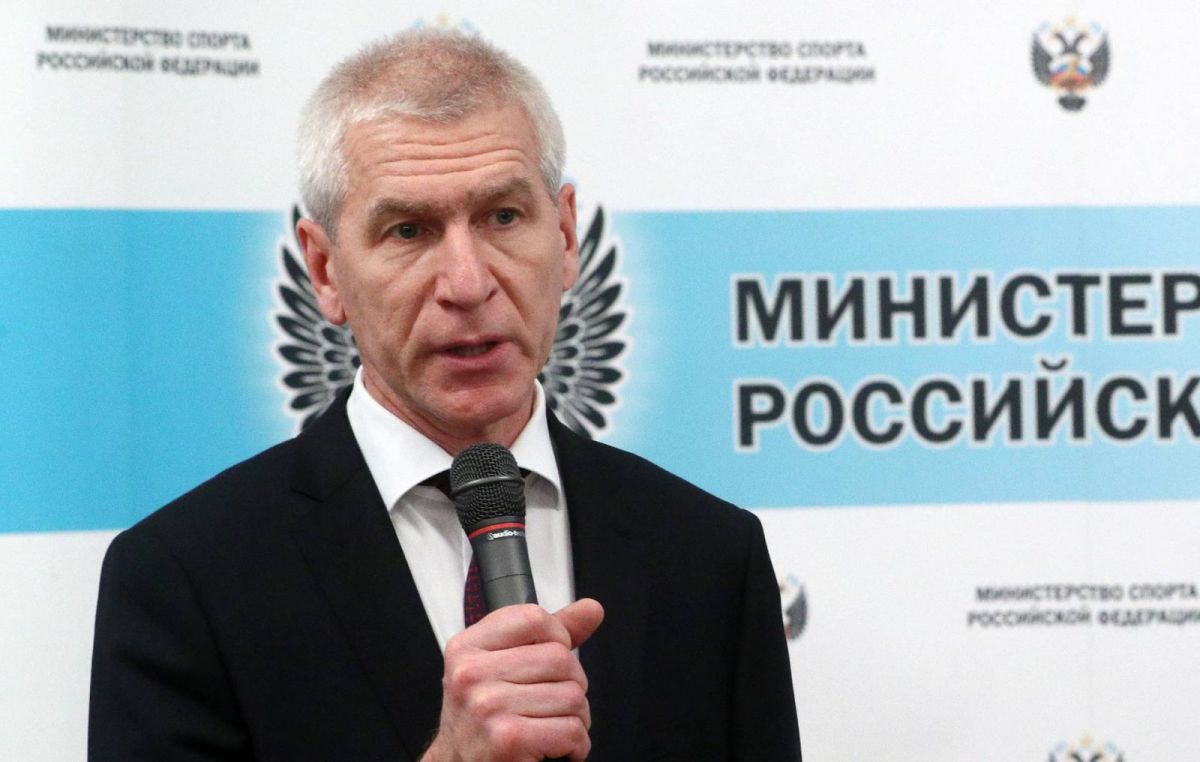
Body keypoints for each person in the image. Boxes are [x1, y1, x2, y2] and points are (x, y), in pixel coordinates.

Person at [89, 29, 801, 761]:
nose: (468, 283)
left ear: (564, 236)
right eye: (409, 230)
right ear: (326, 271)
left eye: (503, 217)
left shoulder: (711, 556)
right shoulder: (184, 578)